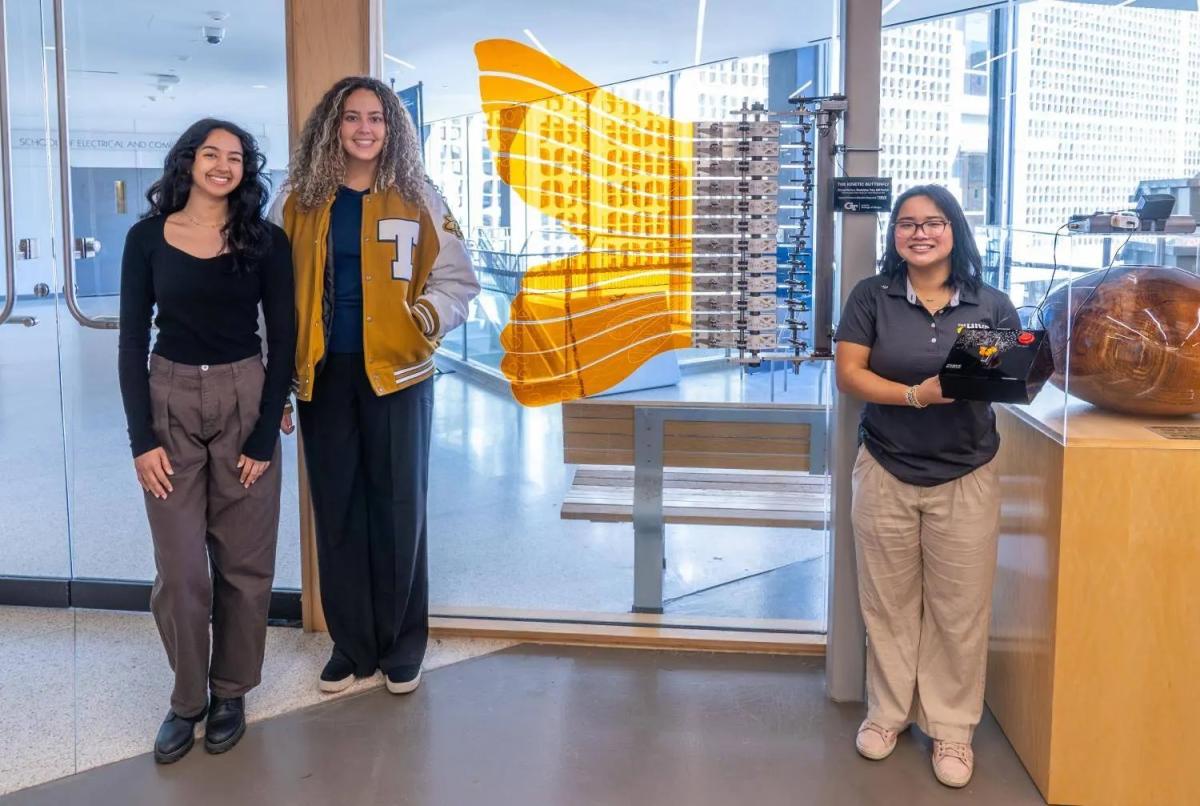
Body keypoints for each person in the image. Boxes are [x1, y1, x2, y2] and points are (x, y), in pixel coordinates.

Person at [271, 76, 479, 696]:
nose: (365, 128)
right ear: (331, 127)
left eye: (378, 118)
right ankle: (351, 644)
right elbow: (272, 295)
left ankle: (401, 645)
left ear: (393, 130)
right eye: (352, 117)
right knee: (337, 510)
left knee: (397, 510)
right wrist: (274, 376)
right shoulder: (297, 202)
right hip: (322, 377)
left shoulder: (419, 197)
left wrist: (420, 322)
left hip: (400, 377)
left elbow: (458, 284)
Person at [117, 119, 295, 763]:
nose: (223, 165)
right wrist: (142, 439)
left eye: (236, 157)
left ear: (246, 171)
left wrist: (265, 434)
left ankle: (230, 691)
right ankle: (186, 697)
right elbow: (132, 340)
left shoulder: (265, 241)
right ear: (188, 161)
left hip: (245, 395)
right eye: (211, 154)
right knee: (182, 570)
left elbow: (283, 338)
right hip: (169, 402)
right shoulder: (145, 240)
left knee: (245, 566)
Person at [833, 185, 1019, 788]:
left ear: (953, 231)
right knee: (886, 604)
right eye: (907, 223)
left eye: (932, 222)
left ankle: (952, 731)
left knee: (958, 610)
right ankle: (887, 715)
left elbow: (1004, 379)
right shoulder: (872, 297)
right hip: (886, 466)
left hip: (966, 472)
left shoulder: (989, 305)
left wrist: (1005, 376)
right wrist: (918, 394)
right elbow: (850, 374)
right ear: (894, 235)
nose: (919, 232)